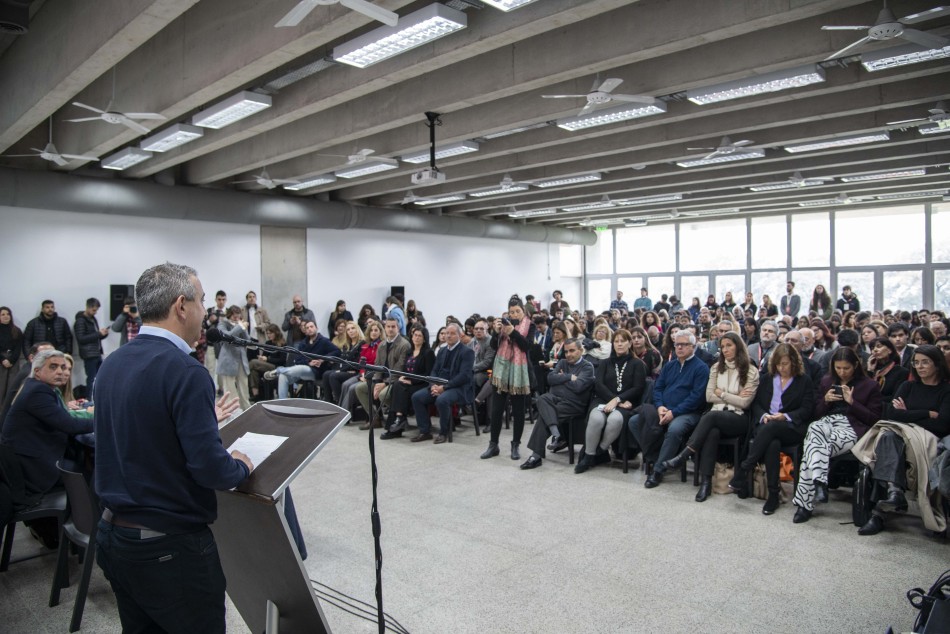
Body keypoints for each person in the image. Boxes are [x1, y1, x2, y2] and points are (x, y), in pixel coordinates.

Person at [92, 262, 253, 633]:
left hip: (115, 536)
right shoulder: (185, 370)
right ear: (181, 306)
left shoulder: (113, 364)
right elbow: (210, 469)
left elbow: (142, 433)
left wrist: (199, 420)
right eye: (201, 301)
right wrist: (240, 465)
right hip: (167, 546)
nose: (205, 312)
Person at [850, 345, 950, 536]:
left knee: (887, 442)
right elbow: (891, 414)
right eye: (916, 362)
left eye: (925, 362)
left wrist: (908, 414)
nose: (920, 367)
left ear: (937, 364)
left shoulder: (946, 390)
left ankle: (882, 509)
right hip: (901, 435)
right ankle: (893, 493)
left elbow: (943, 425)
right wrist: (927, 413)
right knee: (888, 435)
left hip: (927, 440)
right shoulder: (908, 386)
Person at [659, 332, 759, 501]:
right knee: (711, 430)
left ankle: (684, 455)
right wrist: (732, 395)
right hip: (717, 416)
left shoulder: (750, 370)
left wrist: (722, 394)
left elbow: (745, 403)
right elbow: (708, 397)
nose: (725, 350)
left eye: (729, 346)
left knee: (711, 417)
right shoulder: (715, 368)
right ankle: (706, 483)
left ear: (738, 347)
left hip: (738, 418)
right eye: (722, 347)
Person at [791, 348, 882, 524]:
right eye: (838, 368)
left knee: (811, 448)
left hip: (851, 429)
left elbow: (874, 419)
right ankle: (819, 482)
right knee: (815, 428)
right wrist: (825, 401)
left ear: (856, 365)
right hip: (825, 424)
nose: (842, 372)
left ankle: (806, 504)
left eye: (846, 368)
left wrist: (852, 402)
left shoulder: (870, 385)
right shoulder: (827, 381)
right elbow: (815, 414)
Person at [729, 344, 815, 515]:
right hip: (768, 427)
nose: (781, 368)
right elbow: (758, 404)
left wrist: (785, 416)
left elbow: (807, 409)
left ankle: (745, 468)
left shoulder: (804, 380)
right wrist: (764, 416)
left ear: (793, 363)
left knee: (773, 428)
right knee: (772, 443)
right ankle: (773, 495)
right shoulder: (768, 378)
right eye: (778, 364)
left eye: (784, 364)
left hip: (792, 428)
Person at [632, 330, 710, 488]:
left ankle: (658, 471)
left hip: (688, 413)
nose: (679, 348)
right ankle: (655, 456)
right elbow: (658, 388)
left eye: (684, 345)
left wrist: (674, 412)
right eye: (677, 344)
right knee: (634, 421)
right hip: (663, 409)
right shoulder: (670, 365)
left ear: (693, 347)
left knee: (674, 429)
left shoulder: (701, 368)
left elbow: (697, 398)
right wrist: (660, 406)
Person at [574, 329, 646, 474]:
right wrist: (615, 401)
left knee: (615, 419)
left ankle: (600, 450)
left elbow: (638, 388)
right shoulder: (605, 362)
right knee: (596, 418)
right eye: (616, 341)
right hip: (604, 399)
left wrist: (618, 400)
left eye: (623, 341)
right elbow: (599, 385)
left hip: (627, 402)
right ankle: (588, 456)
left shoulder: (638, 364)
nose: (619, 344)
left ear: (630, 343)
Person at [520, 338, 594, 469]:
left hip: (574, 404)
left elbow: (579, 387)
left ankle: (536, 456)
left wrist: (560, 381)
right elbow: (550, 379)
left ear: (581, 350)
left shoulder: (587, 366)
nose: (569, 354)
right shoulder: (562, 362)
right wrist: (568, 377)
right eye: (566, 351)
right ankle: (554, 429)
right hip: (555, 400)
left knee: (543, 415)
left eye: (572, 350)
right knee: (541, 398)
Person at [480, 298, 537, 460]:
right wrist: (496, 332)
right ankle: (493, 445)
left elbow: (526, 346)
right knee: (497, 409)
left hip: (519, 371)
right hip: (501, 368)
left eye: (517, 311)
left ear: (523, 311)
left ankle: (515, 445)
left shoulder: (530, 325)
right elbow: (493, 346)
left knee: (518, 411)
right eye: (511, 312)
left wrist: (513, 332)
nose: (514, 314)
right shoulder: (502, 325)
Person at [410, 323, 474, 444]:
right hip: (439, 385)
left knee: (442, 400)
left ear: (460, 335)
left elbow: (464, 376)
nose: (448, 336)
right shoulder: (442, 351)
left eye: (452, 333)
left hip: (458, 388)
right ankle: (425, 431)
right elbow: (434, 370)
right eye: (447, 333)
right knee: (417, 397)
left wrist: (444, 388)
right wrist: (433, 385)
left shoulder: (467, 352)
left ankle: (443, 432)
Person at [354, 318, 410, 430]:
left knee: (383, 394)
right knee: (360, 388)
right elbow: (377, 365)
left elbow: (399, 369)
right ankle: (375, 418)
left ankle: (399, 417)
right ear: (385, 328)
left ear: (398, 328)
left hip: (396, 381)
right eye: (388, 326)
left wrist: (384, 384)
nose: (390, 329)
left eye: (393, 327)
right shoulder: (382, 345)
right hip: (382, 381)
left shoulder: (404, 345)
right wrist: (376, 382)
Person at [381, 325, 435, 440]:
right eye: (415, 335)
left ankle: (397, 424)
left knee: (401, 389)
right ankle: (398, 420)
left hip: (422, 384)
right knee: (397, 385)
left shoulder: (428, 353)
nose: (417, 338)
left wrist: (411, 380)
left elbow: (428, 374)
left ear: (424, 338)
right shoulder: (410, 352)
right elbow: (405, 370)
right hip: (408, 383)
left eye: (420, 336)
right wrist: (402, 377)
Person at [271, 320, 340, 399]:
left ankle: (279, 370)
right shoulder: (303, 343)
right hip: (302, 370)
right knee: (283, 376)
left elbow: (337, 351)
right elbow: (297, 360)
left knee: (300, 368)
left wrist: (322, 359)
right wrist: (309, 362)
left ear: (316, 328)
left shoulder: (324, 341)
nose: (309, 329)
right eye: (307, 328)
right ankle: (282, 403)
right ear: (305, 331)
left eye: (311, 327)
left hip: (317, 371)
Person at [216, 305, 252, 410]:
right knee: (230, 391)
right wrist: (240, 327)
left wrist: (244, 328)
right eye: (234, 317)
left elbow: (247, 340)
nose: (236, 318)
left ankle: (247, 409)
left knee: (244, 388)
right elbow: (228, 337)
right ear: (229, 315)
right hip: (228, 360)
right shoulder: (222, 324)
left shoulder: (239, 324)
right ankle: (231, 413)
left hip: (241, 359)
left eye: (238, 316)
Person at [73, 297, 109, 394]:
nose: (95, 312)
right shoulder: (80, 321)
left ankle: (98, 396)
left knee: (100, 377)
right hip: (88, 354)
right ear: (88, 307)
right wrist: (98, 334)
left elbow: (95, 337)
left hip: (97, 352)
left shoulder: (93, 319)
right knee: (91, 378)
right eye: (94, 310)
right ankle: (90, 398)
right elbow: (81, 339)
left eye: (96, 310)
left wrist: (103, 334)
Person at [249, 324, 287, 401]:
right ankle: (256, 395)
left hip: (277, 367)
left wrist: (267, 359)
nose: (269, 335)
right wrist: (262, 358)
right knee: (253, 372)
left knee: (253, 362)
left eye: (270, 333)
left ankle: (245, 373)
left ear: (276, 333)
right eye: (267, 333)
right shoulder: (268, 343)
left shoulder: (282, 343)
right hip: (266, 365)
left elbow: (282, 360)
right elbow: (264, 356)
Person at [866, 337, 910, 401]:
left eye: (879, 346)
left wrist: (873, 400)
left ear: (889, 350)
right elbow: (865, 392)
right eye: (872, 348)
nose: (875, 350)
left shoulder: (901, 372)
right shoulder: (870, 370)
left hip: (887, 408)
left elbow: (895, 398)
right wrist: (870, 371)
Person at [0, 306, 23, 397]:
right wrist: (3, 360)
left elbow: (18, 348)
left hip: (13, 361)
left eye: (8, 314)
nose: (6, 316)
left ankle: (9, 409)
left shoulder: (16, 330)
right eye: (3, 314)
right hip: (1, 360)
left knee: (12, 386)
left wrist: (11, 360)